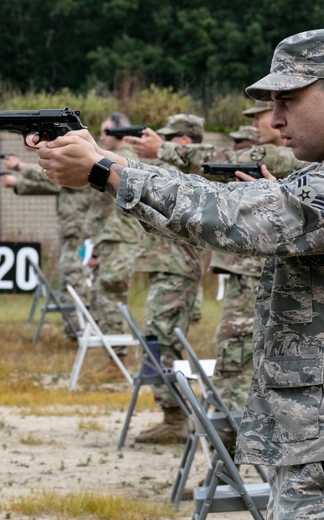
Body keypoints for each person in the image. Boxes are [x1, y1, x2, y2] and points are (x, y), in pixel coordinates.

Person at [37, 26, 324, 519]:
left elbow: (228, 214)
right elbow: (212, 215)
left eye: (287, 99)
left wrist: (103, 170)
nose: (276, 117)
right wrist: (106, 161)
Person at [207, 98, 306, 416]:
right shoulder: (298, 161)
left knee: (234, 352)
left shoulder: (274, 156)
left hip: (254, 271)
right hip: (258, 268)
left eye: (258, 116)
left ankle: (229, 432)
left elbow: (207, 158)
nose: (254, 123)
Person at [130, 113, 206, 444]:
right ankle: (171, 413)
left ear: (184, 141)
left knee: (162, 344)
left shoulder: (194, 169)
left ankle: (176, 417)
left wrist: (162, 152)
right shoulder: (173, 170)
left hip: (177, 271)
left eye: (167, 139)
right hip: (167, 269)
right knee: (155, 341)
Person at [80, 113, 144, 379]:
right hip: (110, 239)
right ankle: (114, 358)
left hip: (121, 239)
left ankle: (117, 360)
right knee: (105, 296)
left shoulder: (125, 158)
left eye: (106, 131)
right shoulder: (112, 156)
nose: (102, 136)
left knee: (111, 295)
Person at [0, 154, 93, 323]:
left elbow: (50, 179)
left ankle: (80, 324)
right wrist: (18, 183)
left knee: (75, 276)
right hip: (72, 231)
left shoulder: (78, 169)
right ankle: (74, 324)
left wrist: (19, 167)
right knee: (69, 276)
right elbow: (54, 187)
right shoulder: (74, 174)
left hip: (79, 232)